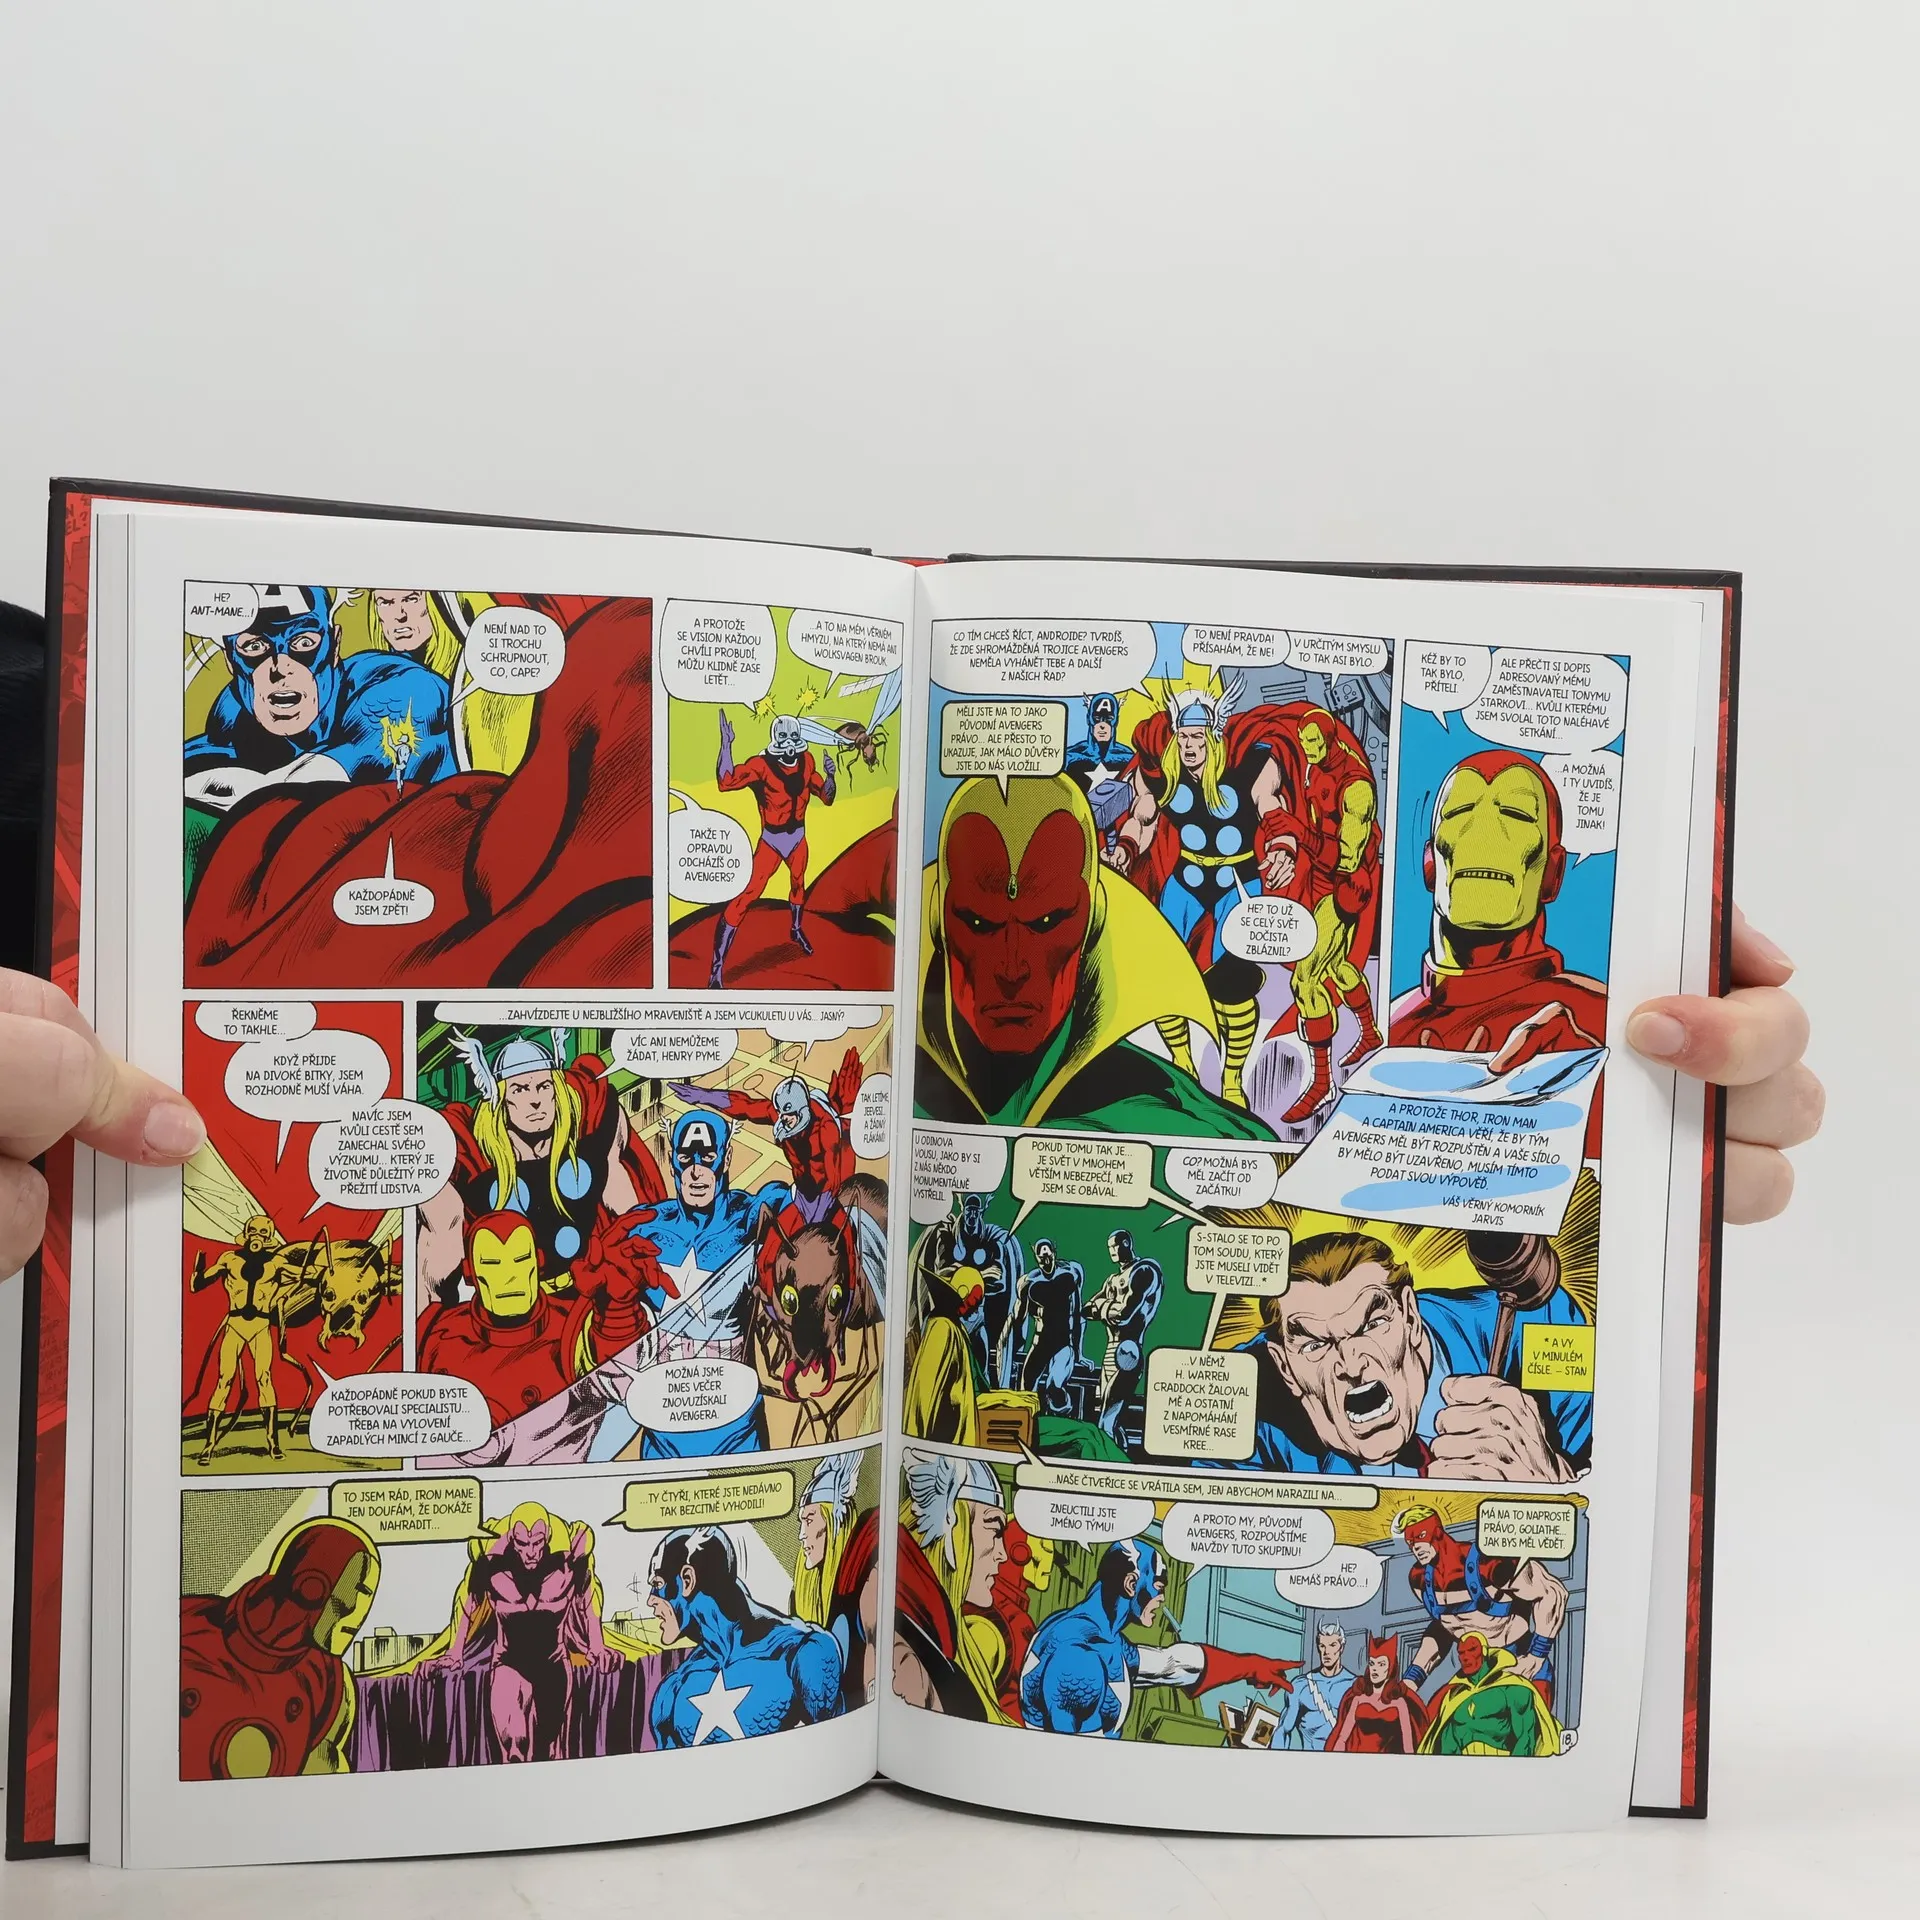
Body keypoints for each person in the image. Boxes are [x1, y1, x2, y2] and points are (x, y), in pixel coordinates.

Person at [916, 773, 1275, 1137]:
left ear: (1095, 917)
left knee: (1232, 986)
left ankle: (1230, 1074)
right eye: (979, 922)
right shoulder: (898, 1076)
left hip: (1223, 893)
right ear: (936, 919)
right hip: (1187, 891)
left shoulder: (1190, 1122)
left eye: (1046, 921)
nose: (1012, 969)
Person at [1232, 1229, 1592, 1479]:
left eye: (1372, 1325)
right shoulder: (1244, 1396)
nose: (1351, 1364)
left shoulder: (1545, 1326)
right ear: (1284, 1366)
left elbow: (1606, 1480)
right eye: (1315, 1345)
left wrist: (1548, 1481)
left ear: (1409, 1316)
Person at [1017, 1538, 1297, 1736]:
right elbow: (1069, 1760)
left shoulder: (1103, 1638)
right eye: (1158, 1587)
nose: (1162, 1598)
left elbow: (1169, 1665)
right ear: (1131, 1584)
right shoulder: (1079, 1657)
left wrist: (1252, 1666)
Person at [179, 1516, 380, 1778]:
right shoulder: (187, 1624)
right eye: (360, 1589)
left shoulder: (330, 1683)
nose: (360, 1611)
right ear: (311, 1586)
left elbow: (324, 1782)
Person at [646, 1526, 845, 1745]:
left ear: (687, 1579)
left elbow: (831, 1750)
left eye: (657, 1584)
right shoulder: (673, 1690)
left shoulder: (803, 1653)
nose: (650, 1600)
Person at [710, 710, 837, 984]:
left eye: (793, 735)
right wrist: (726, 744)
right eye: (783, 736)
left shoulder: (807, 761)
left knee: (798, 883)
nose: (789, 742)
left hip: (798, 839)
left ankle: (796, 928)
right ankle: (717, 969)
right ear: (775, 739)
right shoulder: (761, 766)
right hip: (772, 841)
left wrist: (831, 777)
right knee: (747, 895)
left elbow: (826, 797)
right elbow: (725, 781)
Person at [1416, 1630, 1564, 1756]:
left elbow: (1526, 1738)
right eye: (1461, 1652)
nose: (1465, 1657)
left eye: (1472, 1650)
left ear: (1484, 1651)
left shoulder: (1514, 1688)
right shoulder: (1454, 1698)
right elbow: (1447, 1742)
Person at [1084, 1228, 1163, 1443]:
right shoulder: (1112, 1279)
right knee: (1105, 1413)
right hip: (1110, 1350)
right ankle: (1120, 1452)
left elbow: (1124, 1314)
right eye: (1109, 1247)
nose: (1112, 1250)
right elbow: (1086, 1309)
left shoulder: (1144, 1270)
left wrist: (1102, 1307)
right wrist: (1108, 1307)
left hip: (1128, 1349)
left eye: (1115, 1245)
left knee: (1108, 1419)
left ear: (1127, 1243)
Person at [1326, 1633, 1431, 1754]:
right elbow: (1343, 1738)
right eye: (1372, 1663)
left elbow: (1407, 1743)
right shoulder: (1359, 1698)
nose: (1375, 1668)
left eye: (1381, 1664)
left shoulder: (1399, 1703)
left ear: (1390, 1667)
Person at [1275, 1621, 1358, 1751]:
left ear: (1341, 1647)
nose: (1326, 1652)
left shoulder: (1355, 1685)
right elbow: (1283, 1731)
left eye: (1332, 1645)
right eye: (1322, 1646)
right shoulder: (1301, 1686)